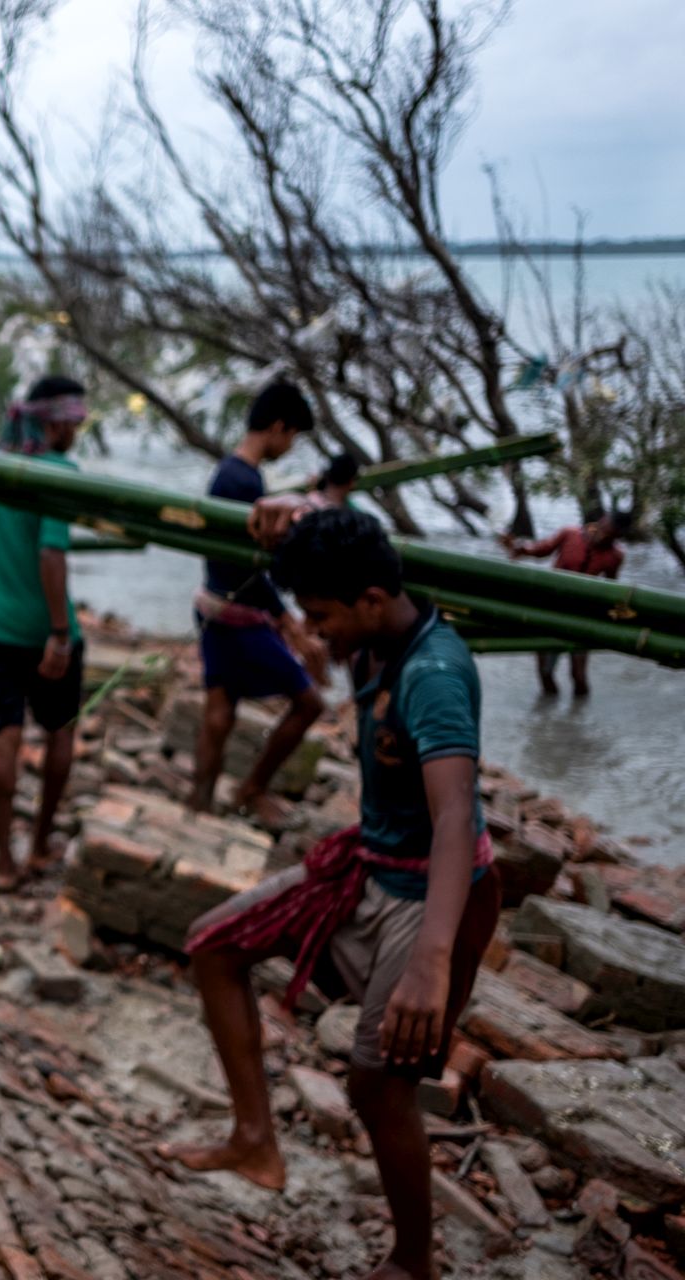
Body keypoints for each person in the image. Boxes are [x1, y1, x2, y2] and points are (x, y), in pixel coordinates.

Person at [164, 507, 499, 1280]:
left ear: (374, 601)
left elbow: (455, 815)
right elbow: (333, 534)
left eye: (320, 618)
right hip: (370, 864)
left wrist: (432, 962)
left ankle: (413, 1264)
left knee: (379, 1087)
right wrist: (291, 523)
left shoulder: (433, 675)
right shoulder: (375, 633)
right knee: (215, 946)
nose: (313, 635)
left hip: (432, 895)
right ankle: (255, 1138)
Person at [0, 374, 88, 888]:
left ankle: (4, 861)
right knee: (60, 732)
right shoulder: (57, 471)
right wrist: (57, 633)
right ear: (55, 422)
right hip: (49, 629)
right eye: (76, 422)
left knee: (3, 737)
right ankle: (39, 847)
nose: (78, 432)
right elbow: (52, 554)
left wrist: (4, 574)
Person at [190, 379, 326, 826]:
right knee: (309, 703)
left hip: (211, 605)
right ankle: (251, 788)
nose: (289, 447)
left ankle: (201, 802)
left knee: (221, 709)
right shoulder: (242, 479)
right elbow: (244, 569)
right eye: (292, 437)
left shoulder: (230, 472)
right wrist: (287, 619)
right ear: (278, 427)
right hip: (237, 613)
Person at [504, 510, 628, 696]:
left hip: (582, 617)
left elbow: (610, 589)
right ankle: (551, 719)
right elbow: (541, 549)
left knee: (578, 676)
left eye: (610, 535)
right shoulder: (570, 534)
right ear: (601, 521)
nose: (603, 536)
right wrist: (520, 548)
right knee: (546, 673)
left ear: (618, 536)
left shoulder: (615, 556)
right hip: (551, 610)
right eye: (603, 529)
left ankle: (579, 718)